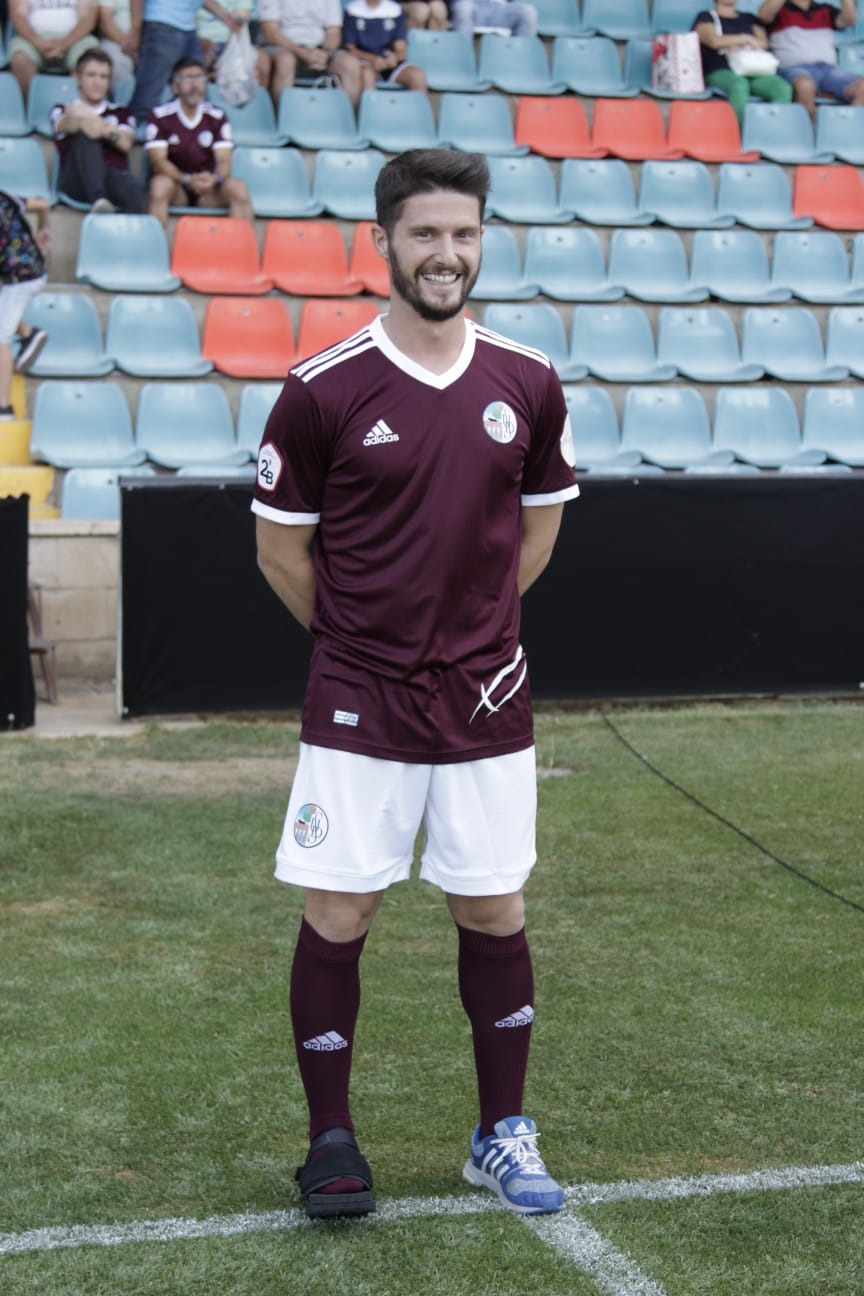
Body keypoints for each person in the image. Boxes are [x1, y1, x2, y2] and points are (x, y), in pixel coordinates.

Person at [252, 148, 579, 1221]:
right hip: (361, 696)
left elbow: (537, 531)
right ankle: (331, 1139)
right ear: (382, 242)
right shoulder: (321, 389)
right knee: (340, 907)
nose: (448, 254)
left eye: (465, 235)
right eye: (427, 234)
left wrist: (471, 633)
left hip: (485, 697)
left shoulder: (526, 378)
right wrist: (366, 643)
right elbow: (281, 554)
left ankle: (501, 1133)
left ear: (482, 241)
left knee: (493, 905)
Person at [145, 57, 253, 226]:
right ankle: (155, 249)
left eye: (200, 78)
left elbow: (224, 161)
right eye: (188, 79)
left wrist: (215, 179)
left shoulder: (217, 116)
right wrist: (187, 179)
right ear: (175, 86)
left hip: (208, 190)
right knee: (159, 185)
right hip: (177, 186)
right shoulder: (160, 115)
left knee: (238, 188)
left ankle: (240, 250)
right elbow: (158, 162)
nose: (195, 85)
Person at [50, 47, 147, 214]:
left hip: (112, 179)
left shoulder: (121, 112)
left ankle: (134, 237)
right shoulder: (62, 109)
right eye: (91, 75)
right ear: (78, 78)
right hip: (76, 181)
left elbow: (125, 143)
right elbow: (67, 125)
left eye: (104, 77)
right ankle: (98, 199)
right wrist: (105, 129)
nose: (98, 82)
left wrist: (85, 114)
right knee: (86, 134)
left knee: (133, 190)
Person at [127, 0, 244, 124]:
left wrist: (226, 17)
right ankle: (129, 137)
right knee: (147, 98)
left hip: (188, 28)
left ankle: (199, 137)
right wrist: (136, 29)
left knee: (199, 96)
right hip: (161, 24)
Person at [758, 0, 864, 120]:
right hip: (792, 68)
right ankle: (810, 134)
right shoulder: (779, 9)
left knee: (862, 86)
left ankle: (845, 134)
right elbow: (764, 16)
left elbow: (849, 20)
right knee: (805, 85)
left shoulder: (825, 9)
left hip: (827, 70)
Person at [693, 1, 793, 125]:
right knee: (739, 86)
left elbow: (763, 43)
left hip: (752, 70)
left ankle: (770, 134)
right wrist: (747, 39)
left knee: (782, 88)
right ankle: (737, 137)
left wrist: (732, 42)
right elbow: (713, 41)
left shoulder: (749, 18)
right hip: (720, 69)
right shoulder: (705, 16)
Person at [0, 191, 50, 420]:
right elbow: (42, 204)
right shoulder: (6, 197)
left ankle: (4, 407)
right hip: (31, 270)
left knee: (0, 339)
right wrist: (44, 227)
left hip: (21, 279)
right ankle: (27, 332)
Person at [258, 0, 363, 108]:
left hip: (320, 49)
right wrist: (302, 53)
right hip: (283, 47)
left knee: (350, 64)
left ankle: (346, 120)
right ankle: (281, 118)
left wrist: (325, 54)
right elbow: (270, 32)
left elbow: (334, 32)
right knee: (285, 61)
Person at [8, 0, 100, 100]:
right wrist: (38, 43)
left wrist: (65, 43)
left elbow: (87, 18)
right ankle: (32, 107)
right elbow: (18, 16)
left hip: (75, 38)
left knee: (91, 60)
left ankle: (86, 110)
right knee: (20, 60)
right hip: (33, 38)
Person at [341, 0, 428, 93]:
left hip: (389, 62)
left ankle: (419, 107)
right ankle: (371, 107)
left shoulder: (395, 10)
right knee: (367, 75)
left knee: (417, 75)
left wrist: (394, 58)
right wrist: (372, 59)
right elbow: (350, 49)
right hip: (365, 62)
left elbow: (401, 47)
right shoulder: (352, 10)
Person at [97, 0, 136, 93]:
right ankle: (124, 104)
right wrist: (128, 46)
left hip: (147, 42)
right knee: (116, 61)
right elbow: (105, 20)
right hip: (115, 40)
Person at [449, 0, 538, 40]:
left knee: (528, 11)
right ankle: (462, 61)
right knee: (463, 8)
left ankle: (521, 64)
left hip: (499, 9)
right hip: (471, 6)